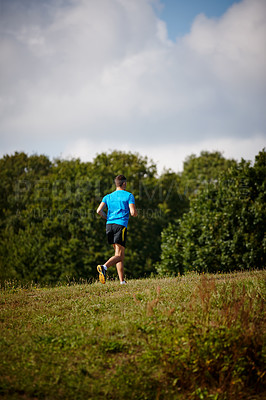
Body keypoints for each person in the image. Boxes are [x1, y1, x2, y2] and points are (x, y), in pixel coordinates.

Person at [96, 174, 138, 284]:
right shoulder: (129, 195)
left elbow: (99, 211)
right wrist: (135, 213)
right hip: (120, 226)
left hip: (109, 225)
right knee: (119, 255)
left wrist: (107, 218)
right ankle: (104, 267)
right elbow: (133, 212)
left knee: (119, 255)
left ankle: (122, 281)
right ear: (124, 183)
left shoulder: (108, 196)